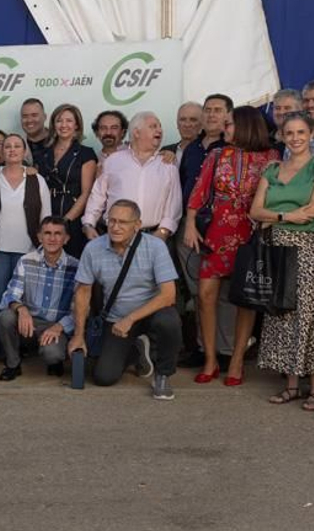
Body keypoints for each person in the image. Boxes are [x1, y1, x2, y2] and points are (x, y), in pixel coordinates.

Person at [249, 112, 314, 411]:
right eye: (290, 133)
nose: (296, 138)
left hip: (309, 245)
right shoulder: (273, 169)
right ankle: (291, 385)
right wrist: (285, 216)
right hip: (276, 245)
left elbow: (312, 211)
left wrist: (272, 218)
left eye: (301, 132)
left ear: (311, 135)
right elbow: (255, 211)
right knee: (281, 311)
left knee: (307, 314)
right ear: (282, 136)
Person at [184, 106, 276, 385]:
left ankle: (236, 360)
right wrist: (190, 223)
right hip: (217, 232)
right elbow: (199, 191)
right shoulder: (217, 155)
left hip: (252, 233)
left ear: (246, 126)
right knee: (205, 295)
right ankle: (210, 358)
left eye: (230, 124)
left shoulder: (271, 157)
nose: (225, 129)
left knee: (245, 299)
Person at [68, 200, 180, 398]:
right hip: (117, 319)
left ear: (137, 225)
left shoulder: (155, 246)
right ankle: (136, 350)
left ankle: (163, 374)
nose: (115, 227)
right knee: (104, 377)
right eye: (111, 221)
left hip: (151, 313)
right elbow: (83, 292)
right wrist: (78, 335)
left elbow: (168, 295)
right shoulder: (93, 248)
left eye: (123, 222)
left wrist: (131, 318)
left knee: (169, 321)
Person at [0, 135, 51, 369]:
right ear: (2, 151)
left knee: (23, 302)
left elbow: (46, 216)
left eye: (17, 146)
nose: (12, 150)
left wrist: (44, 248)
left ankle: (17, 351)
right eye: (7, 146)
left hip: (27, 252)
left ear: (24, 151)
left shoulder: (36, 180)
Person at [176, 93, 231, 365]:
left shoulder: (232, 148)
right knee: (198, 291)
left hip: (222, 230)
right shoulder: (192, 149)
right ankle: (202, 348)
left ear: (228, 116)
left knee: (223, 295)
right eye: (208, 110)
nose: (211, 115)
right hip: (189, 230)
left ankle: (225, 351)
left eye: (217, 110)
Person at [0, 216, 79, 380]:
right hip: (29, 322)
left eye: (58, 234)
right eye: (47, 233)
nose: (52, 238)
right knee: (5, 317)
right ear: (39, 237)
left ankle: (55, 361)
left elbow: (79, 309)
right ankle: (13, 364)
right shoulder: (26, 261)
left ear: (66, 238)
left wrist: (59, 327)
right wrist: (21, 309)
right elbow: (10, 294)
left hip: (56, 325)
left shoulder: (76, 267)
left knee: (53, 354)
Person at [82, 111, 181, 240]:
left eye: (160, 126)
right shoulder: (113, 161)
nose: (159, 130)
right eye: (153, 126)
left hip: (153, 237)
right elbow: (97, 196)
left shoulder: (168, 165)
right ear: (136, 133)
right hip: (114, 235)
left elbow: (174, 204)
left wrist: (163, 232)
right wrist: (89, 224)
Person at [42, 104, 97, 257]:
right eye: (59, 121)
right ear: (53, 124)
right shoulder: (43, 153)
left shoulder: (86, 154)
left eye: (69, 121)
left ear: (76, 125)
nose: (64, 125)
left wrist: (66, 220)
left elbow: (86, 193)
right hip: (47, 214)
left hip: (73, 217)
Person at [19, 98, 52, 165]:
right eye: (25, 116)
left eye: (34, 115)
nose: (29, 120)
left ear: (45, 117)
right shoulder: (16, 146)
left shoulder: (59, 141)